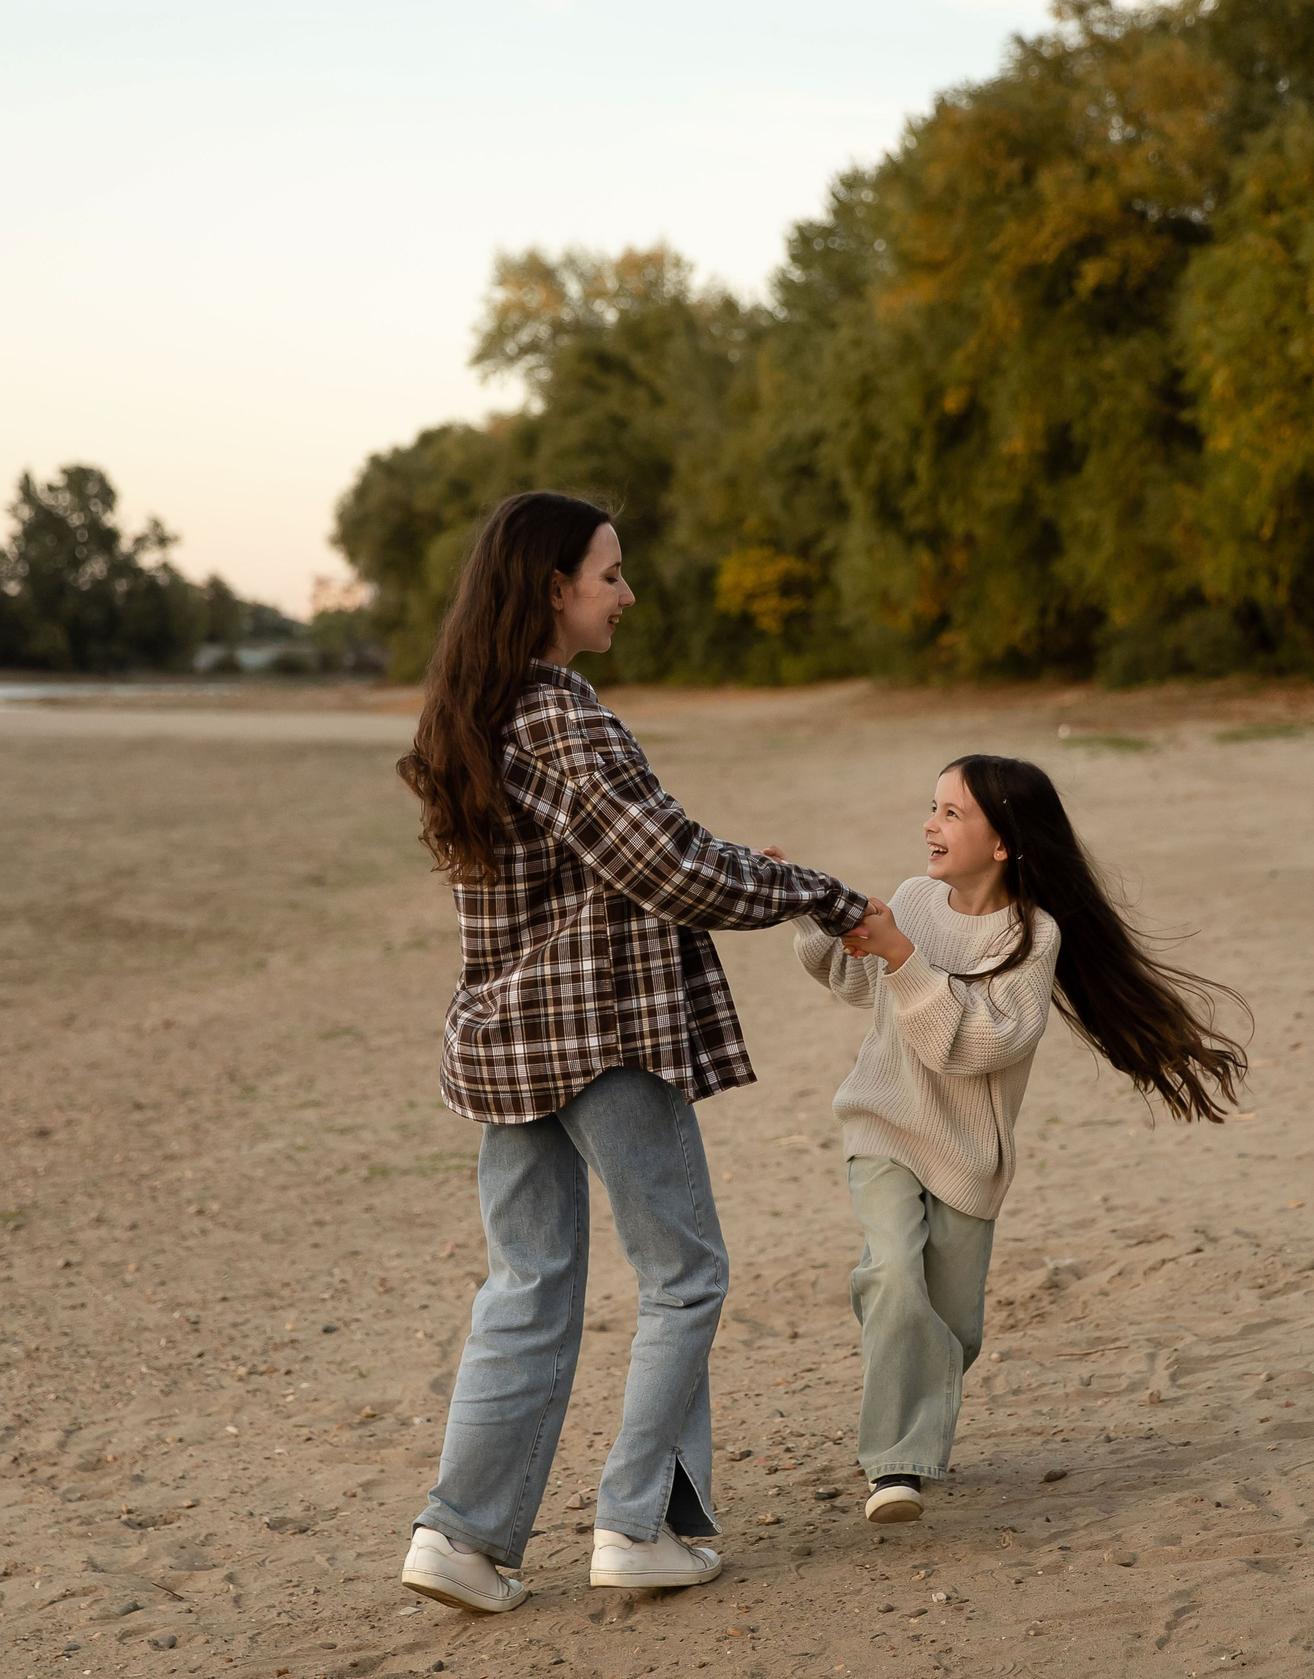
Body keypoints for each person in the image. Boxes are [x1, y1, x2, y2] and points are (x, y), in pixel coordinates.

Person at [393, 491, 870, 1613]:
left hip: (510, 1043)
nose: (628, 593)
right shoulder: (563, 716)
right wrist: (820, 893)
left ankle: (461, 1538)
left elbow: (619, 864)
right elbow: (672, 871)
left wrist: (739, 868)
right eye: (610, 574)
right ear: (553, 586)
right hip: (600, 1036)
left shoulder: (475, 715)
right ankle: (636, 1524)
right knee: (684, 1276)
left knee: (527, 1285)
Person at [791, 754, 1246, 1523]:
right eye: (932, 806)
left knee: (952, 1326)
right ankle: (896, 1466)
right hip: (884, 1125)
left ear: (1003, 841)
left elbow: (979, 1046)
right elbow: (855, 979)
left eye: (952, 812)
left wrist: (903, 956)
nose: (930, 825)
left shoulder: (1033, 937)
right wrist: (811, 911)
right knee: (893, 1275)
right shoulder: (914, 898)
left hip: (968, 1156)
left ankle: (917, 1409)